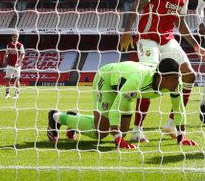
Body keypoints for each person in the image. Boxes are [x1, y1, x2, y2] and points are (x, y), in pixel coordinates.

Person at [118, 0, 205, 142]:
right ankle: (137, 129)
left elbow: (181, 24)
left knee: (190, 75)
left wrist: (196, 46)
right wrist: (127, 31)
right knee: (148, 80)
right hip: (148, 39)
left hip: (167, 39)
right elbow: (137, 3)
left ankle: (171, 124)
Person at [46, 59, 196, 149]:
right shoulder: (138, 80)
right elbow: (116, 107)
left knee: (123, 131)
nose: (178, 82)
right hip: (106, 80)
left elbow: (179, 108)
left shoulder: (176, 84)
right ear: (163, 77)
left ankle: (75, 119)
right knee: (102, 133)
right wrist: (118, 141)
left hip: (124, 91)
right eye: (174, 78)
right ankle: (57, 117)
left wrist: (182, 136)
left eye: (178, 78)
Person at [3, 32, 25, 100]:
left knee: (16, 79)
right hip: (9, 64)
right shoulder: (9, 45)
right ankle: (7, 94)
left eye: (17, 37)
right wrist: (5, 59)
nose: (16, 38)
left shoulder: (20, 45)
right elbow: (6, 53)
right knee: (7, 79)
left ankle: (16, 94)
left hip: (16, 65)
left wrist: (19, 63)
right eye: (14, 37)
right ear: (12, 37)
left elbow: (22, 54)